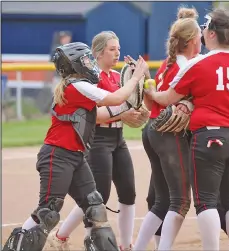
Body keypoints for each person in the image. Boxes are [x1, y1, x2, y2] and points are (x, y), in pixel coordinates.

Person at [2, 42, 148, 251]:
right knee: (48, 212)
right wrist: (136, 78)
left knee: (95, 208)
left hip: (76, 157)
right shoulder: (77, 86)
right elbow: (115, 98)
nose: (90, 63)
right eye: (86, 60)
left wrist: (130, 105)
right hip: (57, 156)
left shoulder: (81, 88)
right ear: (75, 65)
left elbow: (107, 111)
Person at [144, 8, 229, 251]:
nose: (202, 33)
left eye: (205, 29)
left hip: (210, 137)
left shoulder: (197, 63)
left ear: (212, 34)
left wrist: (150, 93)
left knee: (206, 202)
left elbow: (167, 98)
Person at [44, 31, 148, 251]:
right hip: (99, 140)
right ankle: (61, 236)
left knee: (128, 191)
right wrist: (123, 113)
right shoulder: (93, 79)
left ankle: (126, 245)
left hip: (118, 139)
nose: (117, 53)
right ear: (98, 53)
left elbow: (124, 107)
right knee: (98, 195)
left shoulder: (115, 76)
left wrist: (138, 113)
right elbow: (97, 116)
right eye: (112, 49)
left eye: (118, 48)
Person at [134, 7, 201, 251]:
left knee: (161, 201)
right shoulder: (189, 66)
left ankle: (138, 247)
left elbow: (153, 100)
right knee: (181, 201)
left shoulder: (167, 63)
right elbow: (164, 98)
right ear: (193, 40)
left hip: (153, 130)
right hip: (168, 135)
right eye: (200, 37)